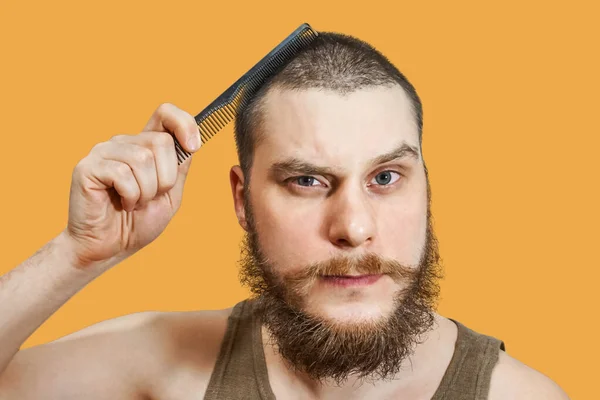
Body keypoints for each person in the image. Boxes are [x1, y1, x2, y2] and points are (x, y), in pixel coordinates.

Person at [0, 32, 569, 400]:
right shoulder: (165, 364)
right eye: (307, 181)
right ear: (242, 202)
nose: (354, 227)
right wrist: (76, 253)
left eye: (386, 178)